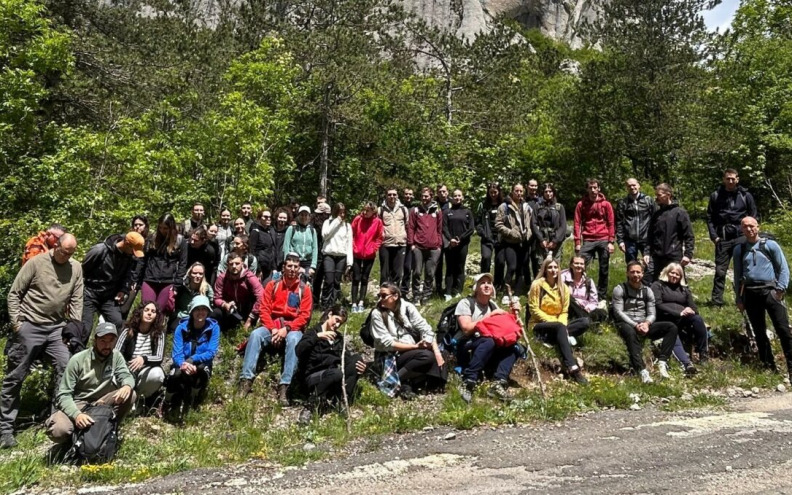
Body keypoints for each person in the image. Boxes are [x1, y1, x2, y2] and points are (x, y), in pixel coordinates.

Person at [1, 234, 83, 449]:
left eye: (71, 253)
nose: (66, 256)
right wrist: (17, 324)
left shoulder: (75, 268)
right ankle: (5, 429)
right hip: (30, 324)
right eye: (64, 251)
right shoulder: (37, 262)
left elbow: (76, 300)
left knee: (66, 366)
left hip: (56, 328)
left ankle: (56, 420)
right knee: (16, 375)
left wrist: (73, 329)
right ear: (55, 246)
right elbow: (14, 293)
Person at [238, 253, 314, 405]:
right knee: (255, 335)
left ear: (299, 270)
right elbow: (264, 309)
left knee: (294, 340)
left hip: (292, 327)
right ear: (284, 267)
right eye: (289, 266)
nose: (292, 270)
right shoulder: (273, 285)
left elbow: (305, 316)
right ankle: (246, 379)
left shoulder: (304, 290)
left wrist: (287, 328)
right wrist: (273, 329)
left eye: (296, 267)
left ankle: (286, 385)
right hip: (272, 324)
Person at [44, 322, 136, 445]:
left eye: (111, 341)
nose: (107, 345)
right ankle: (71, 441)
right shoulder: (78, 360)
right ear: (95, 340)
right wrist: (76, 415)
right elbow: (64, 395)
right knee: (59, 430)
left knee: (130, 394)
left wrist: (127, 385)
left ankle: (108, 429)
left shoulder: (116, 356)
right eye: (103, 341)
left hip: (101, 401)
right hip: (78, 402)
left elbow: (126, 375)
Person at [734, 216, 792, 378]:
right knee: (759, 332)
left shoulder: (770, 245)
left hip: (771, 292)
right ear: (742, 229)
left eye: (751, 226)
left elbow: (783, 268)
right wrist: (739, 298)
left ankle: (791, 365)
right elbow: (737, 274)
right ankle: (769, 365)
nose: (749, 229)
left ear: (758, 227)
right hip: (750, 293)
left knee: (783, 330)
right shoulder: (739, 249)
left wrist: (780, 289)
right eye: (745, 227)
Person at [370, 282, 446, 399]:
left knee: (442, 354)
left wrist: (436, 352)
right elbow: (388, 344)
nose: (380, 299)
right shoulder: (377, 314)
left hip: (411, 350)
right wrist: (416, 347)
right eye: (379, 296)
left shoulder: (407, 308)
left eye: (384, 295)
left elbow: (426, 329)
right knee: (426, 357)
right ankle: (394, 381)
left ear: (395, 296)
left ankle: (410, 382)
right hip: (391, 354)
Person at [455, 273, 523, 403]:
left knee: (514, 347)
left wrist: (514, 314)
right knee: (489, 341)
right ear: (476, 287)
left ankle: (499, 382)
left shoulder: (492, 305)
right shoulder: (465, 303)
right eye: (483, 283)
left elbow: (503, 329)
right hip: (466, 343)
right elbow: (466, 329)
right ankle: (469, 380)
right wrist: (490, 316)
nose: (487, 285)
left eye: (489, 283)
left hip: (486, 344)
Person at [294, 306, 366, 424]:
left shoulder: (338, 338)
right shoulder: (313, 332)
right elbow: (298, 350)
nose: (337, 325)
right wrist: (317, 337)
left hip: (332, 376)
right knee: (336, 373)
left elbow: (346, 359)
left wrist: (362, 367)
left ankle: (341, 399)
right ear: (330, 315)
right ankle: (310, 407)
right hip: (312, 376)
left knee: (356, 359)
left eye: (340, 323)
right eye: (336, 320)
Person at [612, 261, 678, 383]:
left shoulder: (648, 291)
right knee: (630, 334)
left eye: (638, 272)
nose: (635, 275)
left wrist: (647, 324)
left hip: (644, 324)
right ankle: (642, 370)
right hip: (626, 323)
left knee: (671, 327)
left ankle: (663, 362)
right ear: (627, 273)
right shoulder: (620, 289)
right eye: (632, 272)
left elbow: (652, 313)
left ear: (642, 274)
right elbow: (618, 312)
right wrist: (635, 325)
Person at [527, 258, 588, 384]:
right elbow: (533, 309)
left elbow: (564, 311)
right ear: (545, 269)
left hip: (559, 325)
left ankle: (556, 338)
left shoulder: (563, 288)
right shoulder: (537, 285)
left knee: (585, 322)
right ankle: (572, 367)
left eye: (555, 267)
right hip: (539, 324)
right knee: (559, 327)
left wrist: (562, 325)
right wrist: (555, 322)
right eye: (550, 267)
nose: (553, 270)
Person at [707, 169, 758, 306]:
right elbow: (709, 218)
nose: (730, 181)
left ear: (737, 179)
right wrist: (714, 236)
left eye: (733, 179)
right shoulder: (716, 195)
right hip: (722, 238)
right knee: (720, 271)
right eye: (728, 178)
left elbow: (753, 216)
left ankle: (744, 300)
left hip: (741, 237)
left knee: (743, 270)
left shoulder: (745, 195)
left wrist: (751, 235)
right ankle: (717, 302)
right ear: (724, 179)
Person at [165, 296, 220, 417]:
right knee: (175, 374)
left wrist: (192, 360)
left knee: (201, 371)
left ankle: (194, 397)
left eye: (204, 309)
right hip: (183, 363)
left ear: (208, 311)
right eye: (197, 309)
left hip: (201, 363)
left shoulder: (214, 328)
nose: (200, 312)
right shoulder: (181, 328)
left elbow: (211, 352)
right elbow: (177, 353)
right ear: (191, 311)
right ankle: (167, 400)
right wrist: (184, 364)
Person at [81, 231, 145, 334]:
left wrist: (123, 290)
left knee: (118, 323)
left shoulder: (128, 257)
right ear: (126, 244)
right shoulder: (100, 250)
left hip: (108, 297)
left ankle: (111, 348)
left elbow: (127, 276)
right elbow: (82, 271)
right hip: (90, 294)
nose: (134, 254)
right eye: (133, 250)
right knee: (85, 328)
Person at [651, 263, 707, 372]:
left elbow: (694, 307)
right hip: (665, 318)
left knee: (698, 319)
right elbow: (657, 304)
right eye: (672, 273)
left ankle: (703, 354)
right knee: (672, 329)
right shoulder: (658, 285)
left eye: (677, 274)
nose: (674, 276)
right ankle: (686, 363)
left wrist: (690, 310)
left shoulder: (684, 289)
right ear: (667, 272)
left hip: (682, 319)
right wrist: (678, 313)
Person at [115, 303, 166, 407]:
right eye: (146, 310)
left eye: (153, 311)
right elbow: (116, 352)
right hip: (127, 368)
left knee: (158, 374)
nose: (149, 313)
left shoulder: (159, 333)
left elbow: (159, 357)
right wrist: (126, 366)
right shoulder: (127, 330)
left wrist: (144, 359)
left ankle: (140, 399)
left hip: (146, 370)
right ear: (140, 312)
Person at [573, 178, 615, 301]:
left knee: (604, 268)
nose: (593, 190)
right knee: (579, 265)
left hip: (603, 238)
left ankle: (601, 296)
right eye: (590, 188)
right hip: (588, 239)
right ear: (587, 189)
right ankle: (580, 291)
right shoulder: (581, 204)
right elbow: (576, 223)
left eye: (595, 187)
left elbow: (611, 223)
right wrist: (577, 242)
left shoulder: (606, 204)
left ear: (599, 189)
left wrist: (611, 241)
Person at [139, 213, 188, 315]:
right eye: (160, 227)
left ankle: (157, 331)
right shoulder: (152, 238)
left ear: (171, 227)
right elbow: (142, 260)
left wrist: (177, 285)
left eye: (165, 228)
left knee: (158, 312)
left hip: (168, 281)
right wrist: (137, 279)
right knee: (147, 309)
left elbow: (183, 264)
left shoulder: (180, 241)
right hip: (150, 279)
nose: (162, 230)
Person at [645, 183, 694, 282]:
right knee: (648, 279)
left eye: (659, 195)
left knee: (676, 282)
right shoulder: (656, 214)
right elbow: (650, 236)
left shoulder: (680, 213)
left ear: (668, 195)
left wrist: (688, 254)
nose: (656, 198)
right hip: (656, 256)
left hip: (673, 255)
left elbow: (689, 236)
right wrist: (646, 253)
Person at [494, 183, 532, 297]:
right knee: (512, 267)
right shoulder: (504, 207)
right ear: (512, 191)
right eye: (516, 191)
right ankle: (506, 293)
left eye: (521, 191)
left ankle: (518, 293)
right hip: (510, 242)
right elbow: (498, 224)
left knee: (521, 267)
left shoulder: (526, 206)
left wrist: (528, 233)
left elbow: (529, 223)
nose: (519, 193)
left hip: (523, 242)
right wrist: (512, 233)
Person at [408, 187, 443, 306]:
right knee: (417, 272)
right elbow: (411, 227)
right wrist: (411, 244)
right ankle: (416, 296)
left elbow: (440, 228)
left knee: (430, 273)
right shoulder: (415, 210)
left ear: (431, 197)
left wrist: (439, 245)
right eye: (423, 196)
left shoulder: (437, 211)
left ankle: (426, 296)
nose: (424, 198)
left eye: (427, 196)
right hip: (418, 246)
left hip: (433, 248)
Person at [212, 253, 264, 332]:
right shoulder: (222, 278)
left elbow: (261, 296)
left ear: (242, 264)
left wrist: (250, 319)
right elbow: (216, 298)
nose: (234, 266)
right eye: (231, 264)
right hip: (230, 310)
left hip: (248, 311)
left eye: (237, 263)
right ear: (227, 265)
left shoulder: (250, 277)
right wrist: (225, 304)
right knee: (215, 313)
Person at [561, 256, 608, 335]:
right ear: (571, 265)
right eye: (576, 263)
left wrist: (588, 308)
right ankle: (591, 325)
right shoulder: (563, 278)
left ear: (584, 266)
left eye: (581, 264)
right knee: (569, 297)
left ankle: (585, 320)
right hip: (569, 306)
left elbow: (594, 301)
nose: (579, 265)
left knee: (602, 312)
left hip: (585, 309)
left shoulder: (588, 281)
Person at [442, 189, 475, 301]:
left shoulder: (467, 212)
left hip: (463, 244)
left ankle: (458, 291)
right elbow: (444, 227)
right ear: (452, 197)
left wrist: (460, 238)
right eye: (455, 196)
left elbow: (471, 229)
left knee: (460, 268)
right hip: (450, 244)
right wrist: (450, 239)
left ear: (462, 197)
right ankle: (448, 292)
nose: (457, 198)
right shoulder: (447, 212)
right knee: (450, 268)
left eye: (459, 196)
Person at [351, 202, 384, 312]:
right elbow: (351, 232)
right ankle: (354, 303)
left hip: (369, 254)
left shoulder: (378, 222)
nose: (365, 212)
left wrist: (374, 248)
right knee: (356, 278)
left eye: (368, 210)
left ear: (373, 211)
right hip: (356, 252)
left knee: (365, 278)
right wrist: (353, 245)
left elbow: (380, 237)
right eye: (364, 210)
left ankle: (361, 302)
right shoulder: (358, 219)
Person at [616, 178, 655, 266]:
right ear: (626, 187)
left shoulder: (648, 200)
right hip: (630, 240)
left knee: (650, 265)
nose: (632, 187)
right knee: (631, 266)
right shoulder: (623, 203)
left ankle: (649, 280)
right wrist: (620, 240)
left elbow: (655, 220)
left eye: (634, 185)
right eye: (629, 186)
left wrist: (655, 237)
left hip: (647, 239)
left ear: (638, 185)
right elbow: (619, 222)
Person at [321, 203, 353, 309]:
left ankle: (333, 304)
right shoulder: (328, 222)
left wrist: (349, 263)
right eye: (340, 212)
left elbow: (349, 244)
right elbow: (325, 235)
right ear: (335, 212)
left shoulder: (347, 226)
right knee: (329, 280)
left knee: (336, 281)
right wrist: (336, 222)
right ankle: (325, 304)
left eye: (344, 212)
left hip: (341, 256)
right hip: (329, 255)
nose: (342, 214)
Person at [378, 188, 409, 288]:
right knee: (384, 272)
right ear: (386, 196)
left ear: (397, 196)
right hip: (385, 244)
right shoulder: (381, 210)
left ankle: (394, 294)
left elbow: (407, 224)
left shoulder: (403, 209)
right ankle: (383, 294)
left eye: (394, 195)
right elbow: (378, 226)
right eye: (390, 194)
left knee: (398, 273)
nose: (392, 197)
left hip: (400, 244)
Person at [172, 262, 214, 332]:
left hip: (200, 315)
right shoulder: (182, 286)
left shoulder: (207, 288)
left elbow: (211, 303)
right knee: (174, 328)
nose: (197, 276)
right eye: (194, 273)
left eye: (200, 274)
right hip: (183, 314)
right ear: (190, 274)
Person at [531, 182, 567, 265]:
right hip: (541, 241)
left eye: (550, 191)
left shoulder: (559, 207)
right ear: (542, 193)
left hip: (555, 241)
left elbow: (563, 225)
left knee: (555, 267)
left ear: (553, 192)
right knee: (541, 266)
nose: (548, 193)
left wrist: (555, 241)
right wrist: (541, 239)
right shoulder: (537, 207)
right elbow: (533, 224)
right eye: (546, 191)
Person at [283, 206, 318, 280]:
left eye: (306, 215)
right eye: (302, 215)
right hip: (294, 260)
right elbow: (286, 246)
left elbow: (315, 248)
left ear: (309, 217)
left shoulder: (312, 230)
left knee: (306, 285)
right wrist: (287, 262)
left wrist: (313, 266)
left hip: (308, 262)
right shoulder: (292, 228)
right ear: (298, 216)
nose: (304, 217)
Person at [476, 183, 502, 274]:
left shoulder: (503, 205)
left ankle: (499, 284)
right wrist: (482, 233)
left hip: (500, 237)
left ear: (499, 192)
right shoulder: (483, 205)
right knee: (486, 258)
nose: (493, 194)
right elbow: (478, 222)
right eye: (491, 192)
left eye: (495, 192)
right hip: (487, 236)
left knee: (500, 261)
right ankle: (484, 281)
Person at [312, 202, 332, 309]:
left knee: (327, 278)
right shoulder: (314, 224)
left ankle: (325, 301)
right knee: (317, 278)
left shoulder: (330, 224)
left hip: (327, 252)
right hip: (319, 252)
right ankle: (315, 301)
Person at [249, 209, 278, 279]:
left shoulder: (269, 232)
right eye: (265, 217)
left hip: (269, 267)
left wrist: (274, 268)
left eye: (269, 217)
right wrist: (258, 269)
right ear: (259, 218)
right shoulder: (255, 231)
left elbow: (271, 250)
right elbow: (252, 251)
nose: (268, 219)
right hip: (259, 268)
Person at [434, 184, 450, 296]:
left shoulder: (451, 204)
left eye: (444, 191)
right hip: (436, 236)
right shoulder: (434, 204)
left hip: (448, 236)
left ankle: (449, 287)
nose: (442, 193)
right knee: (437, 263)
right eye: (440, 191)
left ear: (447, 192)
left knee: (450, 263)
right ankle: (438, 287)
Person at [523, 179, 541, 280]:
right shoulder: (523, 200)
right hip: (525, 232)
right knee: (525, 258)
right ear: (527, 186)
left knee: (535, 258)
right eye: (531, 185)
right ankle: (526, 280)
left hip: (536, 233)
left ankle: (536, 279)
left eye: (535, 186)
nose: (533, 188)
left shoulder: (540, 201)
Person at [401, 187, 416, 297]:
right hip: (399, 240)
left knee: (408, 267)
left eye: (410, 194)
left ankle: (404, 290)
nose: (408, 196)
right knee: (396, 268)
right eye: (406, 194)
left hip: (411, 241)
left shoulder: (416, 209)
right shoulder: (399, 207)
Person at [272, 207, 291, 274]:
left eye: (284, 218)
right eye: (280, 217)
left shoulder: (289, 231)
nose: (282, 220)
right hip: (271, 263)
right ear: (277, 217)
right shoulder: (271, 230)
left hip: (283, 262)